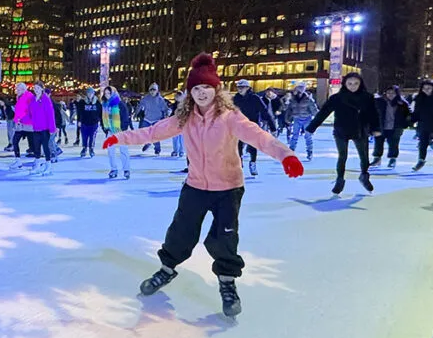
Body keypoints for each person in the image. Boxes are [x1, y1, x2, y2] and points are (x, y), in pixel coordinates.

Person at [103, 52, 303, 317]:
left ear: (216, 89)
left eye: (206, 87)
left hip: (228, 188)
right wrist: (120, 137)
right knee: (180, 232)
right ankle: (166, 270)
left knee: (224, 238)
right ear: (190, 92)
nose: (201, 93)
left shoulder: (230, 117)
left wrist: (285, 154)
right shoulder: (185, 119)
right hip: (195, 185)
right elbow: (152, 131)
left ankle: (228, 283)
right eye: (196, 88)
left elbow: (259, 137)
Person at [306, 73, 380, 195]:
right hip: (342, 130)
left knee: (364, 156)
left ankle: (364, 175)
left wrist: (375, 128)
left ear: (360, 84)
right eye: (350, 83)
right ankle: (340, 179)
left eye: (356, 83)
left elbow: (373, 114)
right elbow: (323, 112)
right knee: (342, 156)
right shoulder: (337, 98)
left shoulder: (367, 97)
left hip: (360, 130)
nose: (353, 86)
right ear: (345, 84)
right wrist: (312, 127)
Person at [233, 79, 276, 176]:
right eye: (238, 87)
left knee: (253, 146)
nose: (240, 89)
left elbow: (265, 112)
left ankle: (253, 163)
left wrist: (272, 127)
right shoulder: (235, 99)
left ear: (248, 88)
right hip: (239, 126)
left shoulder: (255, 98)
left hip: (252, 125)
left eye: (242, 87)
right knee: (237, 146)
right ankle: (239, 163)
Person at [21, 81, 57, 176]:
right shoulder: (32, 100)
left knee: (46, 148)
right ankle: (37, 166)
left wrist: (52, 128)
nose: (36, 90)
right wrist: (22, 120)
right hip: (36, 128)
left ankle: (48, 166)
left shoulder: (46, 99)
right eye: (34, 88)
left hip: (45, 129)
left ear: (42, 88)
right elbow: (29, 114)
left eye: (37, 88)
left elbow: (50, 114)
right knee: (36, 148)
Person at [371, 85, 410, 168]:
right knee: (378, 143)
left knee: (393, 144)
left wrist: (405, 124)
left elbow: (407, 115)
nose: (390, 95)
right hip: (381, 126)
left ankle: (392, 159)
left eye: (393, 93)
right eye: (388, 93)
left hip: (395, 127)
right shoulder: (379, 102)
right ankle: (377, 159)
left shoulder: (402, 104)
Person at [101, 86, 133, 179]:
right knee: (111, 152)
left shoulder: (120, 104)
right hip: (110, 131)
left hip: (120, 131)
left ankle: (126, 169)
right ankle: (113, 169)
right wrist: (105, 129)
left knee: (123, 151)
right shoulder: (105, 105)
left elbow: (125, 117)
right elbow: (103, 118)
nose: (107, 95)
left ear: (113, 93)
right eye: (106, 93)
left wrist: (123, 129)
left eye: (109, 93)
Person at [284, 82, 318, 161]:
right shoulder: (293, 99)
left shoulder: (308, 99)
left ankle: (309, 152)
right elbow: (289, 109)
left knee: (308, 136)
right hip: (297, 119)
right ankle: (291, 152)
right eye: (298, 88)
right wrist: (287, 118)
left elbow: (314, 109)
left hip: (307, 119)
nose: (298, 90)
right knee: (294, 136)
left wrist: (317, 120)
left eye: (300, 88)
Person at [137, 83, 169, 156]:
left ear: (157, 91)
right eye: (151, 90)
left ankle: (157, 149)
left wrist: (165, 115)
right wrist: (136, 113)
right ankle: (147, 143)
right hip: (147, 118)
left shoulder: (160, 100)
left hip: (156, 120)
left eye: (154, 90)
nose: (152, 91)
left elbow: (165, 109)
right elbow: (140, 106)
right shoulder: (145, 98)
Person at [77, 87, 102, 158]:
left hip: (94, 123)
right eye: (88, 93)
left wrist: (99, 120)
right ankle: (84, 148)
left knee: (92, 137)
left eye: (91, 93)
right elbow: (79, 112)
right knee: (84, 136)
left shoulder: (97, 102)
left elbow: (100, 112)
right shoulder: (82, 102)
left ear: (93, 94)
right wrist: (79, 120)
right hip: (84, 122)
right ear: (86, 94)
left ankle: (91, 149)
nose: (90, 94)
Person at [170, 90, 187, 158]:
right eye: (176, 96)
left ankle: (181, 151)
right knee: (175, 138)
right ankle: (175, 151)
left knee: (181, 139)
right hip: (175, 124)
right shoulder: (174, 105)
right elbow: (172, 113)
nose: (177, 97)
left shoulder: (184, 105)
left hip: (182, 123)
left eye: (179, 96)